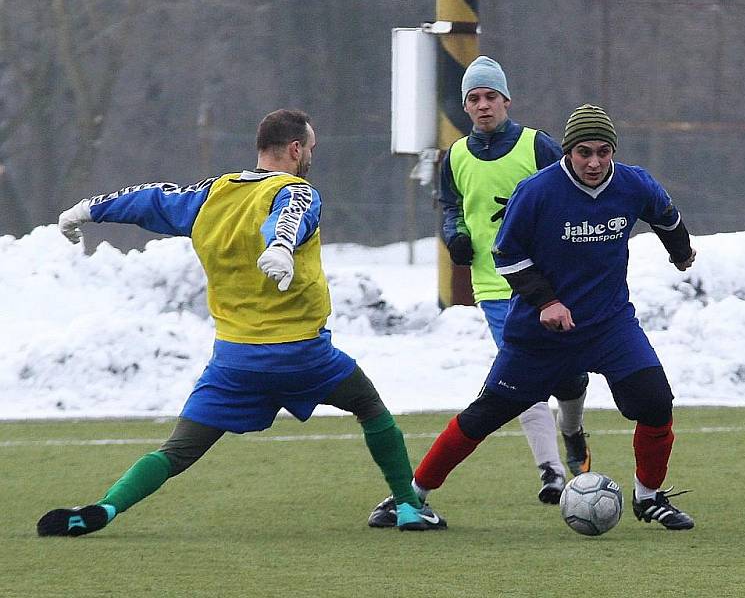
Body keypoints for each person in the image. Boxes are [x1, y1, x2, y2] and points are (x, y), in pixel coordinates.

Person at [37, 109, 447, 537]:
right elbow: (290, 214)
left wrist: (87, 210)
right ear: (294, 149)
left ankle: (105, 508)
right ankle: (406, 506)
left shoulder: (212, 195)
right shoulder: (296, 188)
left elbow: (152, 200)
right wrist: (281, 246)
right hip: (303, 356)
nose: (310, 156)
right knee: (370, 408)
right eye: (310, 148)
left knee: (177, 450)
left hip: (235, 362)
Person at [374, 104, 696, 531]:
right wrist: (546, 301)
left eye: (604, 151)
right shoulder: (538, 191)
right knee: (485, 414)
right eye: (584, 152)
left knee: (655, 402)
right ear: (568, 152)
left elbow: (667, 217)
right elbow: (506, 253)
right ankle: (410, 496)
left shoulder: (634, 184)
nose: (595, 162)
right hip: (539, 334)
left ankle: (649, 497)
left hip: (609, 326)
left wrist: (681, 252)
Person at [368, 57, 589, 529]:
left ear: (506, 100)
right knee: (521, 377)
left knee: (569, 376)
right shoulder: (457, 156)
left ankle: (572, 431)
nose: (483, 105)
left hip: (549, 286)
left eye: (491, 96)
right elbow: (452, 208)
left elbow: (571, 197)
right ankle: (551, 472)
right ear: (466, 106)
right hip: (495, 287)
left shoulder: (538, 146)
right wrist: (456, 235)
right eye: (474, 98)